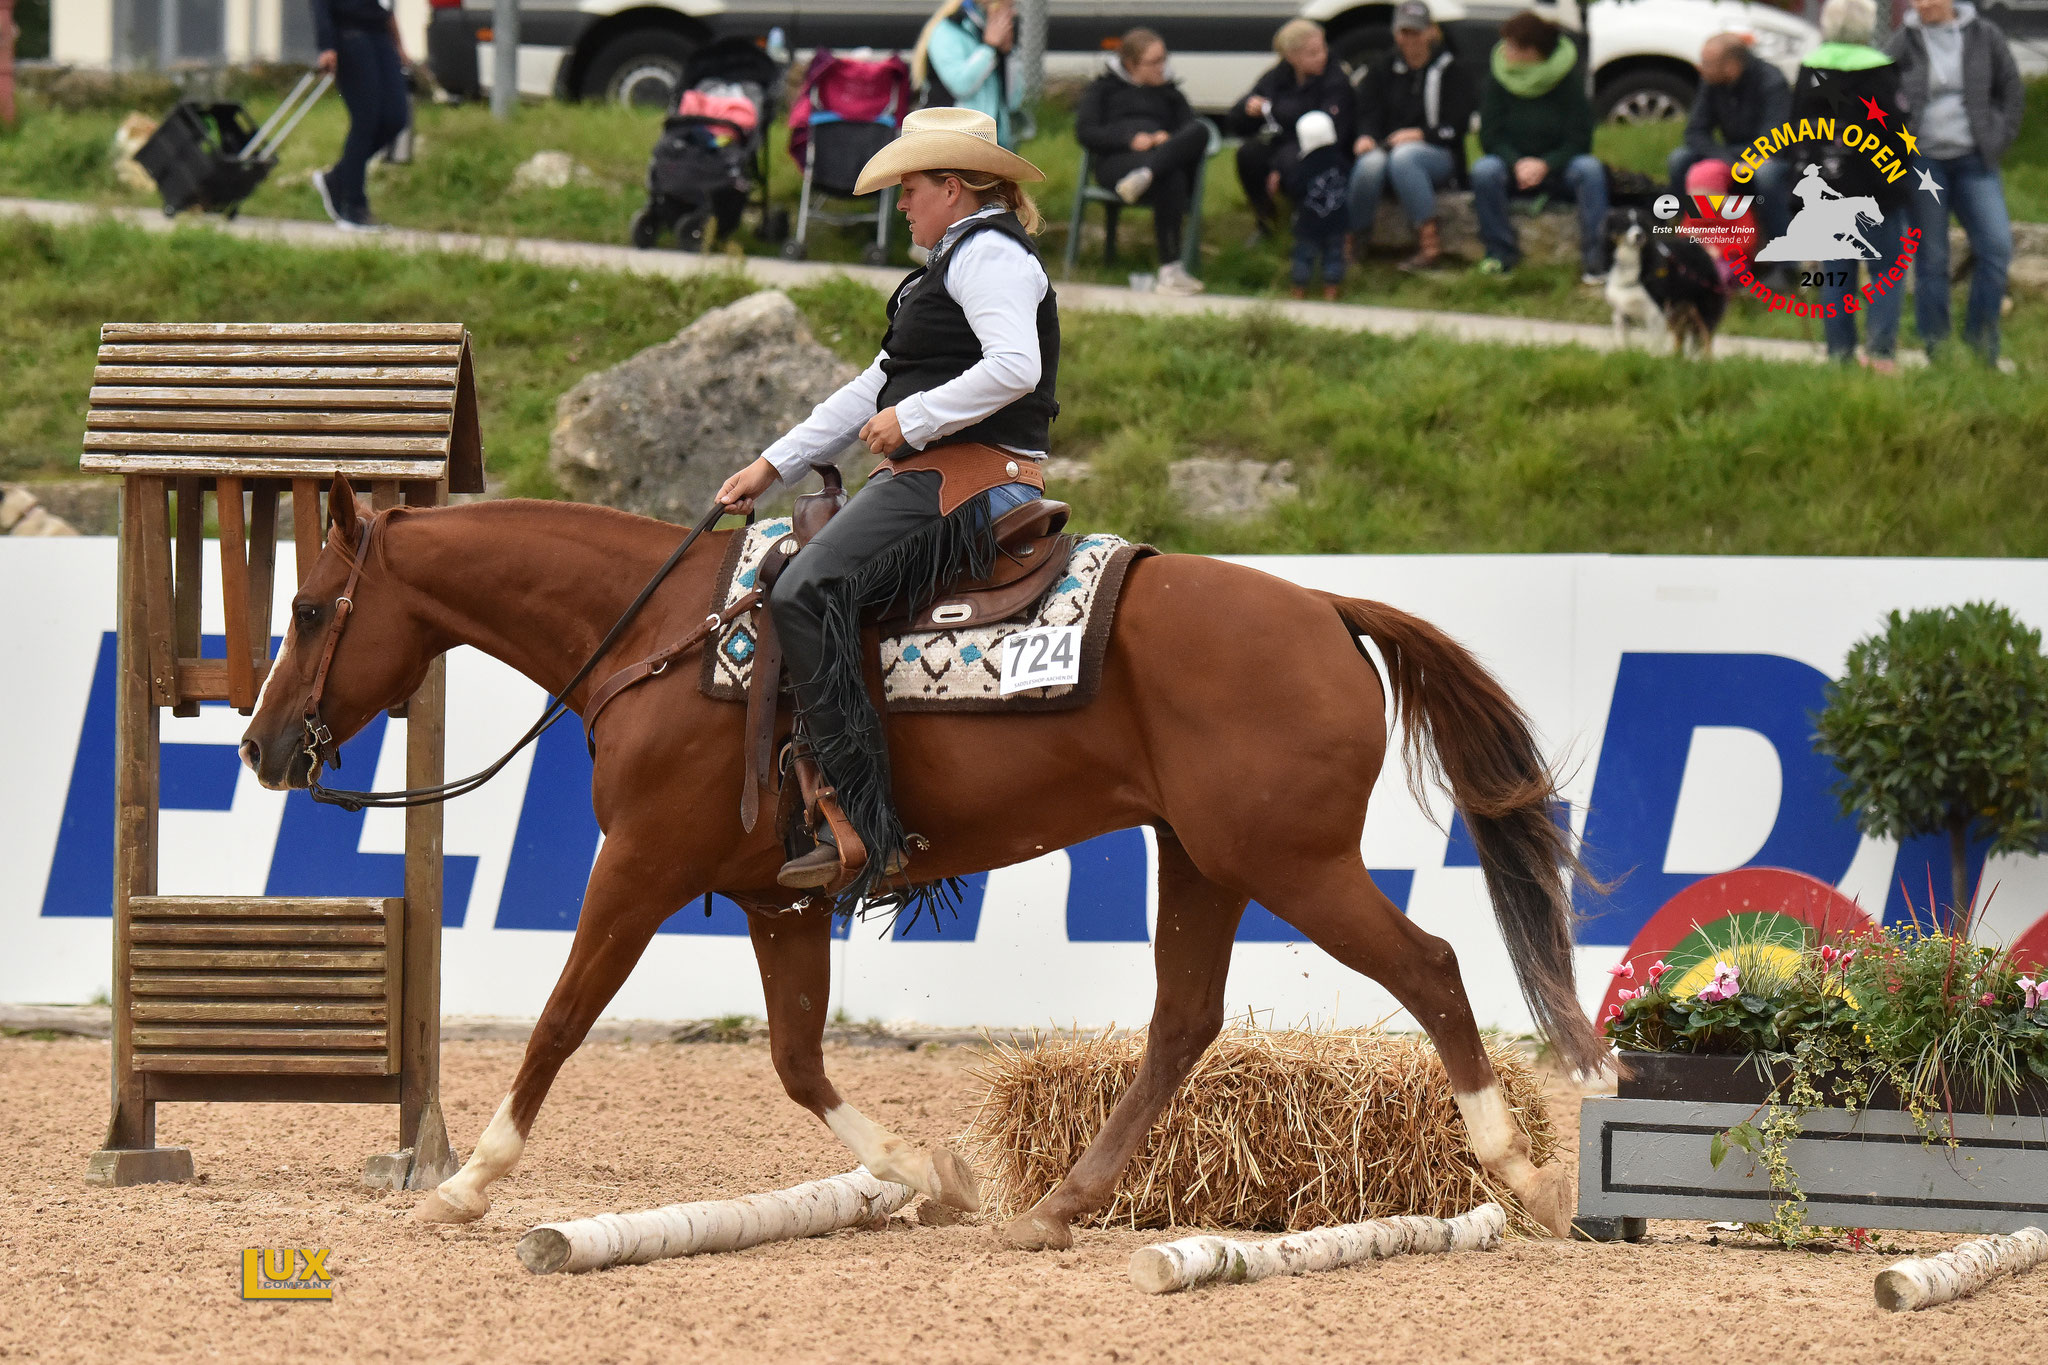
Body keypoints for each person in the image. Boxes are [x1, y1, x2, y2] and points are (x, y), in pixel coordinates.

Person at [714, 107, 1056, 904]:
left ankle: (865, 824)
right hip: (937, 470)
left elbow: (1016, 365)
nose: (901, 205)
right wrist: (774, 462)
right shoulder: (948, 266)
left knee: (805, 587)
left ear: (952, 185)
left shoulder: (989, 254)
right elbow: (874, 385)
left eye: (909, 188)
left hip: (968, 474)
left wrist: (916, 420)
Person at [1888, 0, 2024, 364]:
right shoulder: (1904, 41)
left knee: (1996, 248)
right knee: (1931, 259)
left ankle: (1981, 346)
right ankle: (1940, 351)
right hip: (1923, 162)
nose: (1922, 5)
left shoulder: (1985, 35)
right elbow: (1878, 95)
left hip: (1975, 160)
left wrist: (1998, 136)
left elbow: (2011, 89)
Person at [1790, 0, 1908, 366]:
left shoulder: (1810, 69)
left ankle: (1839, 354)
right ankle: (1881, 353)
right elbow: (1895, 132)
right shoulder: (1881, 71)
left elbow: (1795, 132)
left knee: (1836, 273)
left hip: (1826, 186)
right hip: (1875, 190)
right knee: (1887, 271)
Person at [1469, 10, 1607, 282]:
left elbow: (1580, 139)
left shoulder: (1567, 80)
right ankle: (1499, 253)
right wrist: (1516, 162)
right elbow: (1490, 136)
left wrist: (1546, 164)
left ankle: (1596, 256)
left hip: (1559, 169)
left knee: (1590, 170)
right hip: (1513, 168)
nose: (1504, 51)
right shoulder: (1498, 78)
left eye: (1512, 46)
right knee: (1484, 171)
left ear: (1532, 52)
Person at [1074, 28, 1210, 296]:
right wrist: (1129, 140)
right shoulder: (1103, 90)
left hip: (1156, 164)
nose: (1162, 67)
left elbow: (1188, 131)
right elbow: (1086, 131)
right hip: (1119, 165)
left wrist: (1166, 138)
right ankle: (1171, 271)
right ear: (1131, 64)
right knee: (1171, 176)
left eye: (1164, 59)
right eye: (1154, 62)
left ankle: (1147, 174)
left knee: (1200, 132)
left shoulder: (1171, 94)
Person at [1348, 0, 1475, 272]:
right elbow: (1367, 110)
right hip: (1387, 148)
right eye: (1404, 32)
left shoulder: (1453, 70)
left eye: (1416, 32)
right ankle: (1354, 239)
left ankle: (1429, 244)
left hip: (1439, 153)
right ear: (1395, 34)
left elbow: (1458, 125)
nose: (1410, 39)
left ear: (1430, 32)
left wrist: (1420, 134)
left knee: (1406, 158)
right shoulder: (1382, 69)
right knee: (1369, 165)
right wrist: (1366, 136)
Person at [1668, 35, 1794, 271]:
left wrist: (1730, 159)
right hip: (1730, 156)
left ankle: (1784, 264)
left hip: (1772, 158)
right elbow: (1695, 132)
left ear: (1731, 66)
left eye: (1706, 63)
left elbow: (1773, 140)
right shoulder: (1711, 82)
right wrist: (1725, 160)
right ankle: (1686, 241)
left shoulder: (1772, 82)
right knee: (1679, 159)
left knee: (1766, 175)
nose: (1700, 68)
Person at [1227, 19, 1355, 244]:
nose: (1322, 56)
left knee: (1301, 162)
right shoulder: (1278, 76)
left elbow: (1329, 132)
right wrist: (1249, 109)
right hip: (1285, 145)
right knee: (1249, 154)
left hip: (1326, 150)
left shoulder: (1336, 79)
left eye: (1323, 48)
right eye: (1312, 53)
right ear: (1291, 57)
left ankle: (1309, 224)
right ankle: (1266, 219)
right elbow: (1238, 118)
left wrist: (1279, 162)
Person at [309, 0, 410, 232]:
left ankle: (338, 177)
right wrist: (326, 46)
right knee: (366, 120)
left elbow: (384, 7)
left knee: (396, 117)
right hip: (349, 36)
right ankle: (353, 208)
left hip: (380, 36)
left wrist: (399, 45)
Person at [912, 0, 1022, 149]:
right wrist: (989, 48)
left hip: (990, 142)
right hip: (949, 140)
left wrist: (1007, 54)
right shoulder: (947, 29)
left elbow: (1014, 101)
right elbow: (961, 84)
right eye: (1008, 7)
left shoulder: (985, 32)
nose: (1013, 13)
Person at [1288, 111, 1349, 299]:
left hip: (1308, 223)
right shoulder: (1341, 160)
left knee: (1303, 257)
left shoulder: (1304, 164)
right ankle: (1331, 290)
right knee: (1334, 256)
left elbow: (1295, 188)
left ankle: (1298, 290)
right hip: (1337, 223)